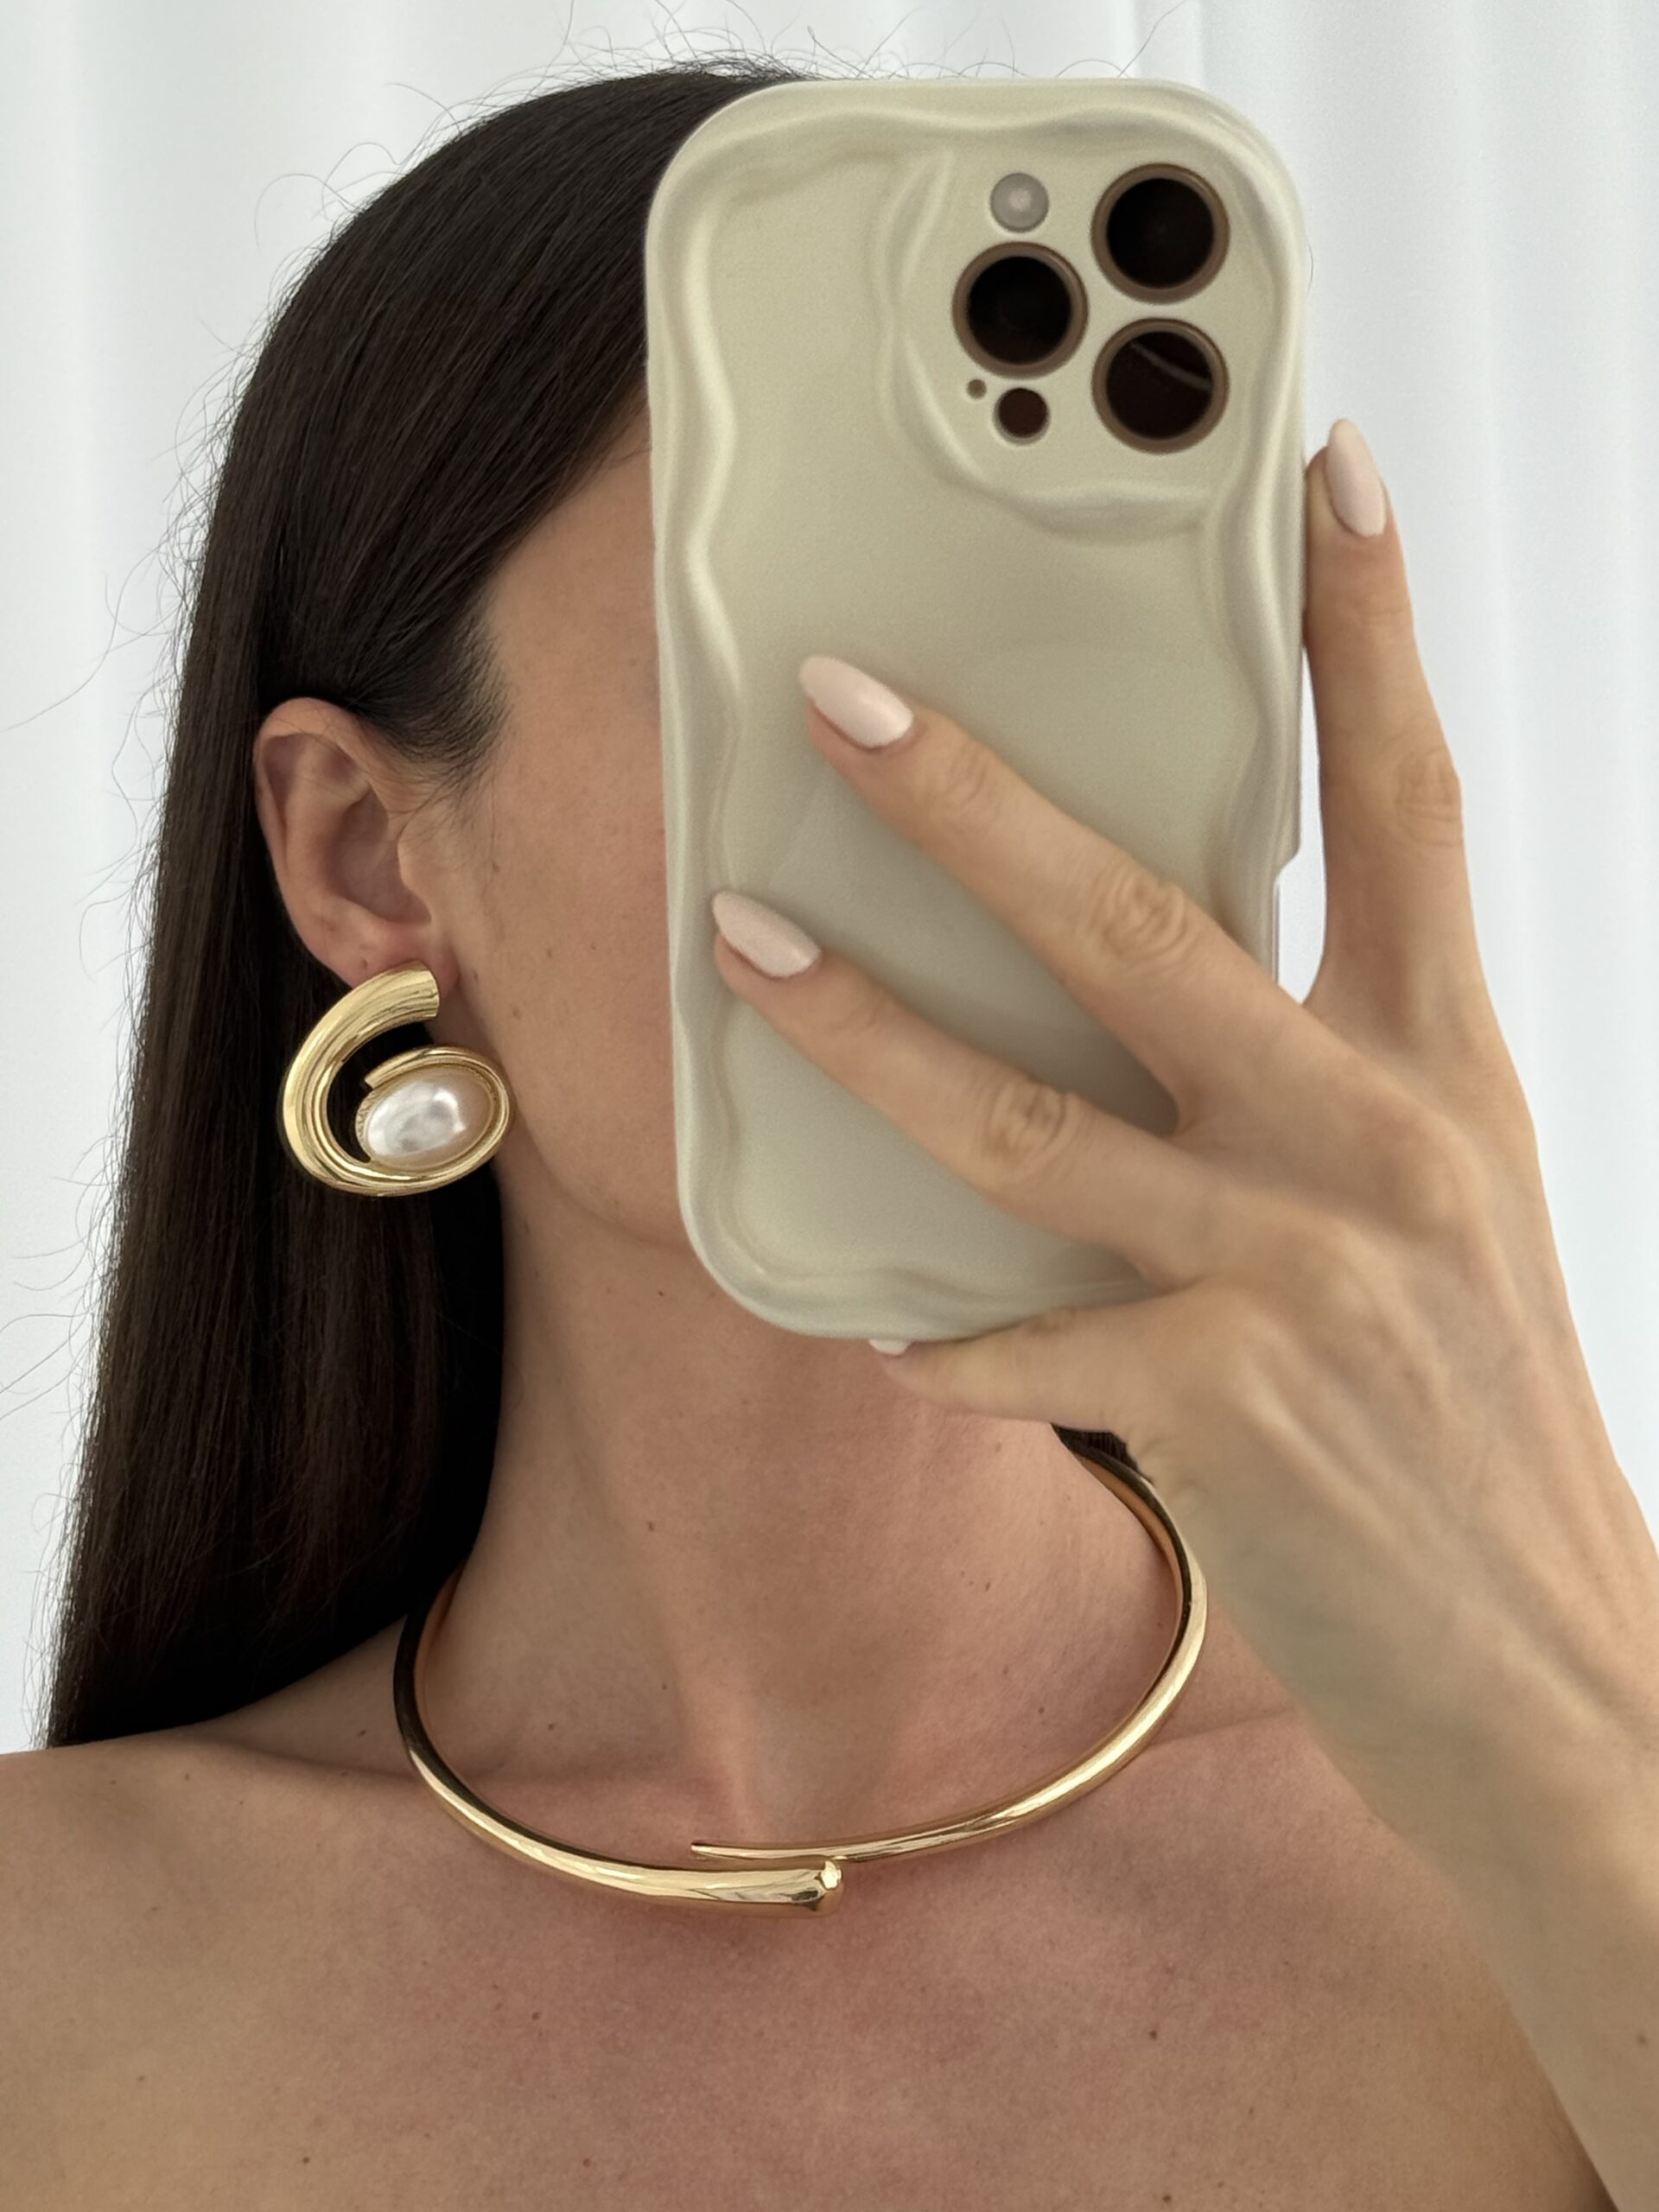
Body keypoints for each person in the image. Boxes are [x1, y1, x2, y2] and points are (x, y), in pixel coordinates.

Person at [1, 56, 1645, 2209]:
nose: (987, 802)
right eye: (806, 653)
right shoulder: (52, 1977)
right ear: (369, 857)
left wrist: (1588, 1717)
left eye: (1060, 659)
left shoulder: (1548, 1859)